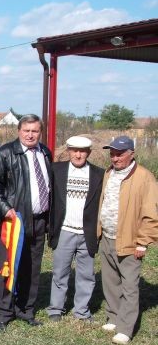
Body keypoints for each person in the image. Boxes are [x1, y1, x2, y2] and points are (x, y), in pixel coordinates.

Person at [0, 114, 52, 331]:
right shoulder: (5, 153)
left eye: (35, 131)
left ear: (40, 132)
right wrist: (5, 209)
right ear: (19, 131)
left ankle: (25, 309)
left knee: (32, 267)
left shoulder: (45, 153)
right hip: (13, 222)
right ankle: (3, 313)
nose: (30, 135)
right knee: (6, 267)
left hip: (39, 220)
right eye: (26, 130)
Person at [97, 135, 158, 344]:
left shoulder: (145, 177)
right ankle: (113, 316)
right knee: (110, 281)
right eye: (112, 154)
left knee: (129, 285)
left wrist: (143, 242)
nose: (115, 158)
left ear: (131, 154)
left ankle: (125, 328)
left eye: (120, 154)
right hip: (107, 236)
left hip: (130, 240)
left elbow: (151, 213)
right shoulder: (108, 173)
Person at [46, 136, 104, 322]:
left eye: (82, 151)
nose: (78, 155)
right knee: (60, 272)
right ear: (68, 151)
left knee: (86, 274)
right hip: (64, 230)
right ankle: (56, 308)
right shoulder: (56, 170)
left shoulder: (99, 174)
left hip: (87, 232)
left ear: (89, 153)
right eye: (74, 151)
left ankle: (81, 311)